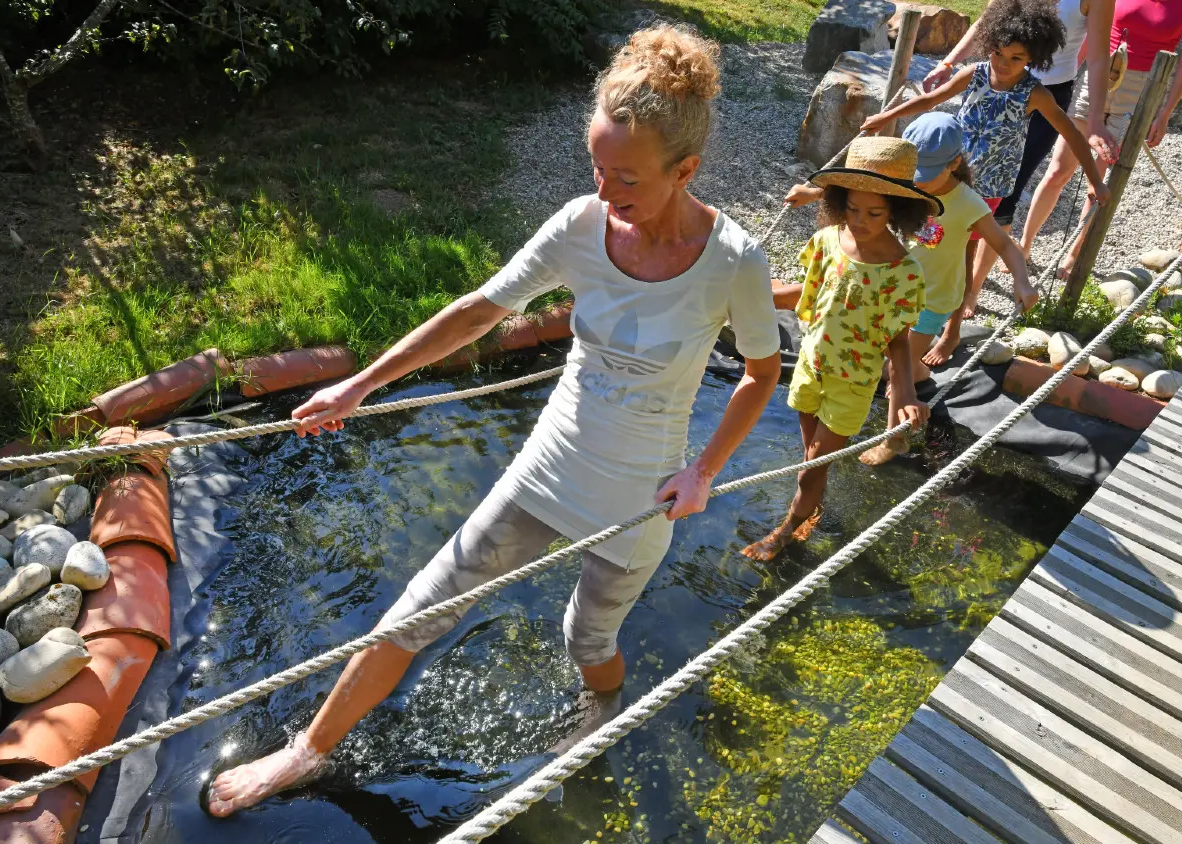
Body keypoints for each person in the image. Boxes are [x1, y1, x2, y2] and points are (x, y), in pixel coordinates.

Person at [205, 24, 784, 817]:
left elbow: (760, 372)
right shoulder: (581, 225)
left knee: (588, 641)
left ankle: (602, 708)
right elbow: (478, 311)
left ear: (685, 170)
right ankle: (306, 752)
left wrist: (704, 471)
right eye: (596, 166)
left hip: (641, 497)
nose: (606, 191)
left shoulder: (735, 262)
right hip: (548, 464)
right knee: (421, 603)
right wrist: (360, 387)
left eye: (627, 179)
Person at [780, 114, 1039, 469]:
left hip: (932, 299)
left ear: (954, 164)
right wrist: (814, 193)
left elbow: (1004, 245)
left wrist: (1021, 281)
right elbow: (858, 190)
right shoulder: (898, 192)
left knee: (893, 369)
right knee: (906, 367)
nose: (918, 180)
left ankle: (894, 438)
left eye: (927, 172)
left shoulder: (968, 203)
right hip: (891, 292)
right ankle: (918, 379)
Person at [860, 0, 1105, 367]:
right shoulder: (973, 74)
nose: (1003, 65)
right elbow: (930, 99)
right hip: (948, 176)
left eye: (1016, 59)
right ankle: (916, 308)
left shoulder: (1034, 93)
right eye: (998, 53)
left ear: (1033, 60)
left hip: (986, 189)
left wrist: (1095, 178)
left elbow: (1070, 132)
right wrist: (886, 116)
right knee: (929, 242)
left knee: (963, 256)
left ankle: (952, 330)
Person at [740, 137, 938, 561]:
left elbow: (898, 338)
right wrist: (743, 293)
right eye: (852, 208)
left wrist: (904, 392)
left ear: (897, 212)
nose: (860, 220)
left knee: (812, 463)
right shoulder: (829, 240)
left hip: (853, 381)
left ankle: (786, 531)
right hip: (810, 364)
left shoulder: (902, 271)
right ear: (838, 201)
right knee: (811, 455)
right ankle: (813, 503)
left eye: (874, 213)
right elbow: (806, 295)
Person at [922, 0, 1118, 250]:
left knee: (1005, 195)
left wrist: (1095, 120)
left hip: (1049, 92)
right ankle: (939, 251)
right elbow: (987, 22)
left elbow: (1100, 56)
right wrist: (948, 63)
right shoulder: (980, 72)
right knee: (958, 173)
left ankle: (972, 284)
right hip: (995, 83)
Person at [1049, 0, 1182, 278]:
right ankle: (1024, 245)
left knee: (1100, 175)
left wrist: (1164, 112)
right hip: (1099, 73)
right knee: (1059, 169)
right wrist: (1069, 72)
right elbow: (1094, 24)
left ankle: (1074, 252)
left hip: (1141, 87)